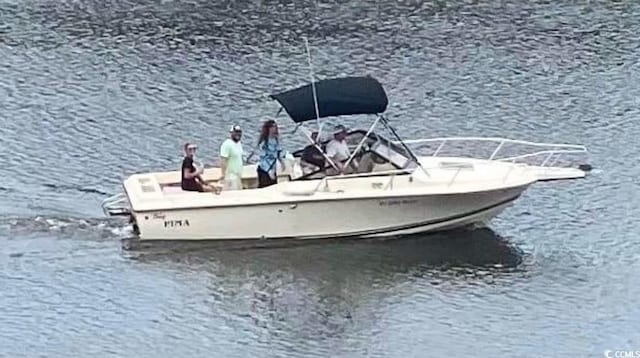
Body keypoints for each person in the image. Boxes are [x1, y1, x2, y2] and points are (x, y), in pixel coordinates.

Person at [256, 119, 287, 188]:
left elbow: (278, 153)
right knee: (265, 186)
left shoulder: (276, 140)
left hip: (273, 168)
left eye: (275, 127)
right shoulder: (264, 141)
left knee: (273, 186)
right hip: (265, 168)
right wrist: (268, 170)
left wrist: (282, 163)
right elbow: (263, 157)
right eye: (273, 127)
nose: (274, 129)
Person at [219, 124, 244, 190]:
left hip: (238, 176)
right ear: (231, 133)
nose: (238, 134)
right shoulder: (226, 144)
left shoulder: (239, 144)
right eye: (236, 132)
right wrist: (223, 175)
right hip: (230, 177)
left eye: (239, 132)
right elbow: (223, 160)